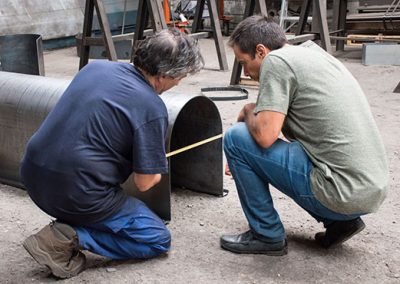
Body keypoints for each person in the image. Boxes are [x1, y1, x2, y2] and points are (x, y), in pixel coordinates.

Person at [20, 28, 204, 278]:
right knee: (157, 239)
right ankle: (71, 237)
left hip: (32, 176)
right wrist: (154, 165)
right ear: (164, 74)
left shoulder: (95, 68)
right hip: (76, 192)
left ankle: (73, 223)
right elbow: (145, 182)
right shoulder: (152, 107)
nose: (179, 83)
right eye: (180, 77)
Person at [220, 15, 388, 256]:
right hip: (368, 189)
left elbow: (265, 136)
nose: (246, 71)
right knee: (288, 145)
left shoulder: (276, 61)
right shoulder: (312, 53)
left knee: (236, 138)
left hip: (341, 193)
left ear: (260, 50)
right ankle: (341, 223)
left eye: (244, 62)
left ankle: (266, 234)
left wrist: (247, 111)